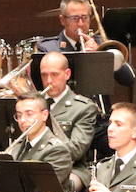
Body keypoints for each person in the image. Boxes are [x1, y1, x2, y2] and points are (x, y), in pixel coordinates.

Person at [37, 51, 98, 182]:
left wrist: (42, 154)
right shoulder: (33, 104)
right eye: (44, 75)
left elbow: (76, 150)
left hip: (71, 169)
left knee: (47, 182)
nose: (48, 81)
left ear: (67, 74)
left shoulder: (83, 107)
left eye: (54, 74)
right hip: (34, 163)